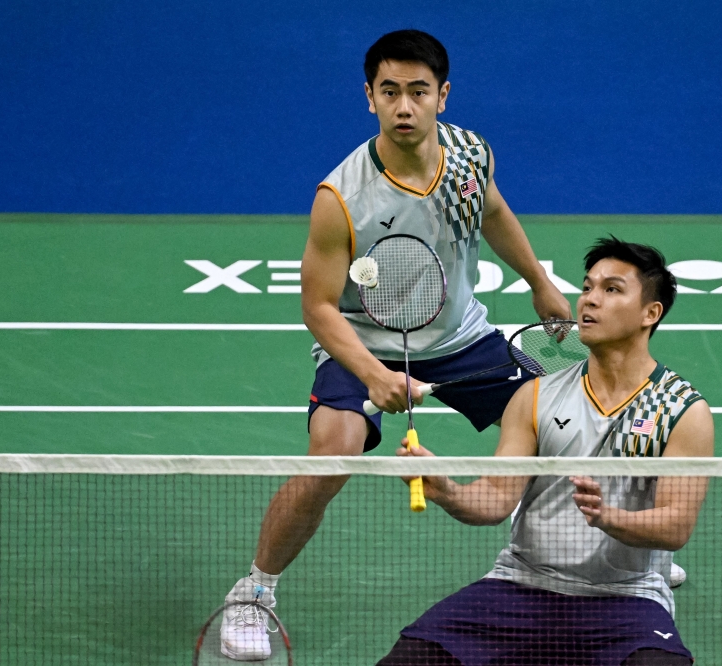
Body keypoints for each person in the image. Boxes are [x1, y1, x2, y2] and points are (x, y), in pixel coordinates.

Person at [219, 30, 571, 660]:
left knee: (558, 416)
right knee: (334, 452)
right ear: (369, 98)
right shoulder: (341, 197)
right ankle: (254, 592)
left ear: (442, 95)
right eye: (390, 93)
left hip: (460, 336)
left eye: (417, 91)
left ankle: (592, 552)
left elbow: (490, 213)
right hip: (362, 343)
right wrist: (373, 376)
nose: (404, 107)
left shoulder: (468, 154)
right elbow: (318, 308)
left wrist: (539, 283)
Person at [378, 237, 715, 666]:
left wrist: (607, 517)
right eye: (588, 287)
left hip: (625, 598)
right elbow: (495, 500)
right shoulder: (535, 397)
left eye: (612, 290)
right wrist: (445, 488)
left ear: (651, 313)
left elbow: (676, 527)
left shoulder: (682, 411)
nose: (589, 300)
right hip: (520, 585)